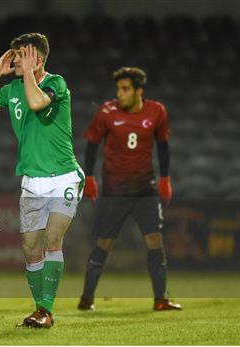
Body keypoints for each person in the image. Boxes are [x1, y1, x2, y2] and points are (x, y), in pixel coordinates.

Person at [0, 33, 83, 328]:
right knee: (31, 248)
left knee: (52, 238)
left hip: (63, 177)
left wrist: (30, 73)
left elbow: (35, 104)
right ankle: (39, 309)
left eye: (20, 54)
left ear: (38, 59)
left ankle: (45, 311)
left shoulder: (56, 84)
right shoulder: (13, 88)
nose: (14, 59)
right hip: (32, 181)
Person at [78, 67, 181, 311]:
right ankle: (87, 298)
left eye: (125, 89)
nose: (119, 94)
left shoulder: (157, 111)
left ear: (139, 91)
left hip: (145, 189)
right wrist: (89, 177)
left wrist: (165, 178)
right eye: (118, 89)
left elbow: (163, 145)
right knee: (105, 243)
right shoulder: (106, 112)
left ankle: (160, 299)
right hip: (115, 190)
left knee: (155, 240)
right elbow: (91, 144)